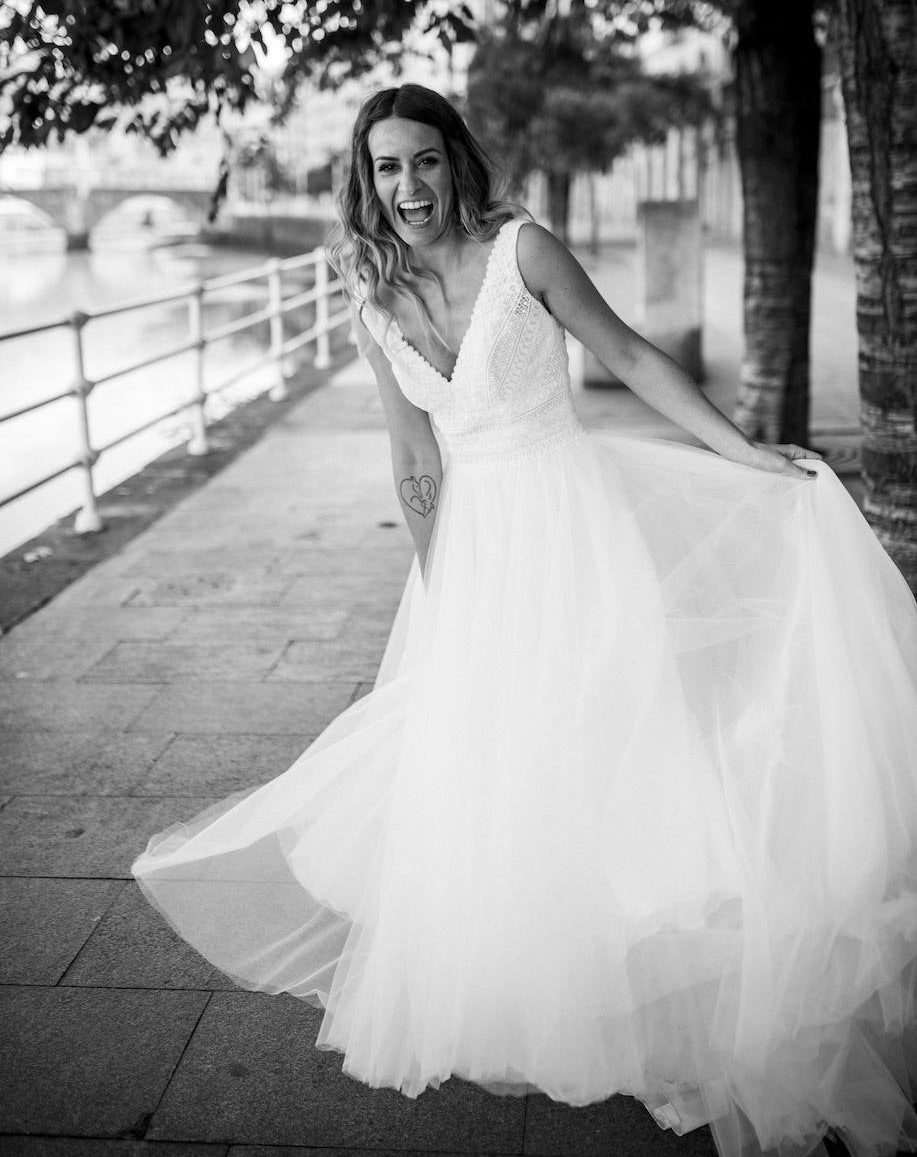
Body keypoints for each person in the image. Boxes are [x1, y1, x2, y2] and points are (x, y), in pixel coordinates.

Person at [132, 84, 917, 1157]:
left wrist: (739, 452)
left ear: (454, 161)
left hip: (572, 527)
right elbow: (412, 455)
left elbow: (631, 356)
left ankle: (683, 990)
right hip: (473, 555)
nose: (404, 186)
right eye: (384, 168)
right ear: (363, 181)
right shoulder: (372, 299)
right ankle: (567, 983)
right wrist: (440, 585)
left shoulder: (524, 254)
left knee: (614, 758)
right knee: (505, 777)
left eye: (421, 161)